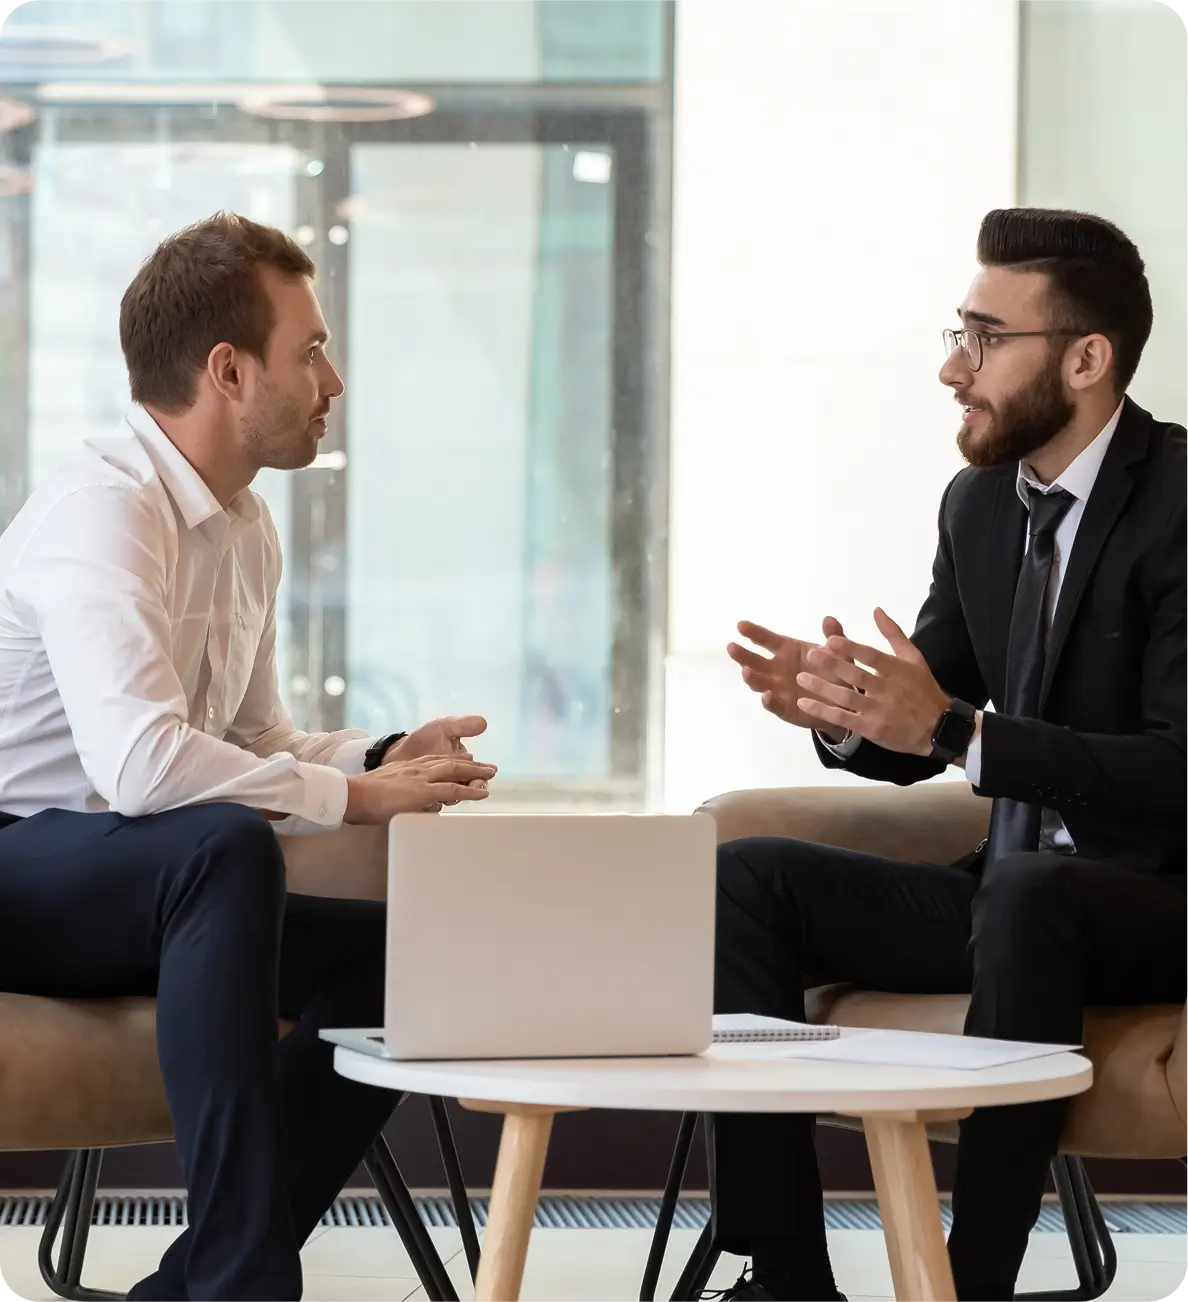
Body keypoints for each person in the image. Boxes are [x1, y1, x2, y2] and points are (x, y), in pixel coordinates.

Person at [0, 212, 498, 1302]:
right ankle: (242, 1280)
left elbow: (250, 741)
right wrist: (356, 799)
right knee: (223, 847)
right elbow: (141, 768)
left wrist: (382, 755)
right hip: (20, 865)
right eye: (310, 348)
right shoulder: (104, 510)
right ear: (227, 371)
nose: (336, 378)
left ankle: (205, 1279)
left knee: (397, 963)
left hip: (142, 879)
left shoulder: (243, 525)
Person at [711, 207, 1188, 1302]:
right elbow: (925, 717)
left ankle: (967, 1288)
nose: (949, 368)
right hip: (1012, 896)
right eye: (953, 332)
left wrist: (952, 730)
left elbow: (1176, 773)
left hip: (1156, 896)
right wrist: (845, 713)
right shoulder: (980, 504)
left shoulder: (1180, 502)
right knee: (749, 877)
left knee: (1030, 893)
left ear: (1085, 358)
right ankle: (782, 1272)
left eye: (982, 338)